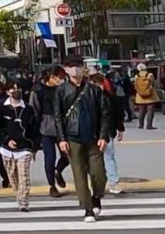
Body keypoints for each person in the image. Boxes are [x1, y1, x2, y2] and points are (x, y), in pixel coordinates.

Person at [54, 54, 111, 223]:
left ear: (83, 67)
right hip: (72, 137)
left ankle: (97, 196)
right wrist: (61, 139)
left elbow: (105, 114)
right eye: (71, 66)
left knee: (99, 173)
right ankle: (88, 209)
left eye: (78, 65)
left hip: (93, 137)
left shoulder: (94, 90)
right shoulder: (61, 90)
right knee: (79, 174)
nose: (75, 69)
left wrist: (103, 136)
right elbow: (58, 117)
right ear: (65, 69)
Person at [0, 83, 40, 212]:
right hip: (7, 149)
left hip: (25, 147)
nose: (16, 90)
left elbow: (35, 129)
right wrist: (6, 140)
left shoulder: (28, 109)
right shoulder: (1, 108)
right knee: (12, 177)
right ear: (8, 92)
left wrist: (35, 147)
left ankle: (24, 201)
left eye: (18, 88)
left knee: (24, 175)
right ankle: (19, 196)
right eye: (13, 89)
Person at [33, 65, 69, 197]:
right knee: (50, 157)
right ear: (52, 77)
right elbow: (34, 110)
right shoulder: (38, 90)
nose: (61, 80)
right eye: (60, 77)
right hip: (46, 129)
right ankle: (52, 185)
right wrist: (35, 134)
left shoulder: (64, 89)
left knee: (68, 155)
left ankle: (57, 171)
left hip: (63, 129)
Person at [90, 69, 125, 195]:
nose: (98, 87)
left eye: (99, 84)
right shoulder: (87, 98)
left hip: (107, 131)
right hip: (91, 132)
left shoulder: (110, 97)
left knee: (109, 156)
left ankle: (113, 182)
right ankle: (97, 184)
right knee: (95, 159)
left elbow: (117, 113)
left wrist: (120, 128)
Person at [133, 63, 161, 130]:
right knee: (150, 111)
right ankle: (149, 125)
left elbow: (135, 85)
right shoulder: (150, 75)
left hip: (140, 96)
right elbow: (153, 83)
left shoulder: (136, 76)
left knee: (141, 111)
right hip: (150, 95)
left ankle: (141, 125)